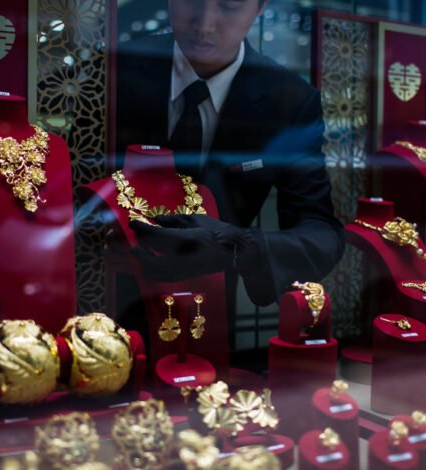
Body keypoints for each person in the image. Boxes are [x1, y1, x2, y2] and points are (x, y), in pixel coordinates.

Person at [115, 0, 344, 343]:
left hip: (211, 306)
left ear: (260, 7)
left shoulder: (289, 100)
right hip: (105, 291)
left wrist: (239, 247)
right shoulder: (117, 67)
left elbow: (321, 230)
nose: (204, 24)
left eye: (230, 6)